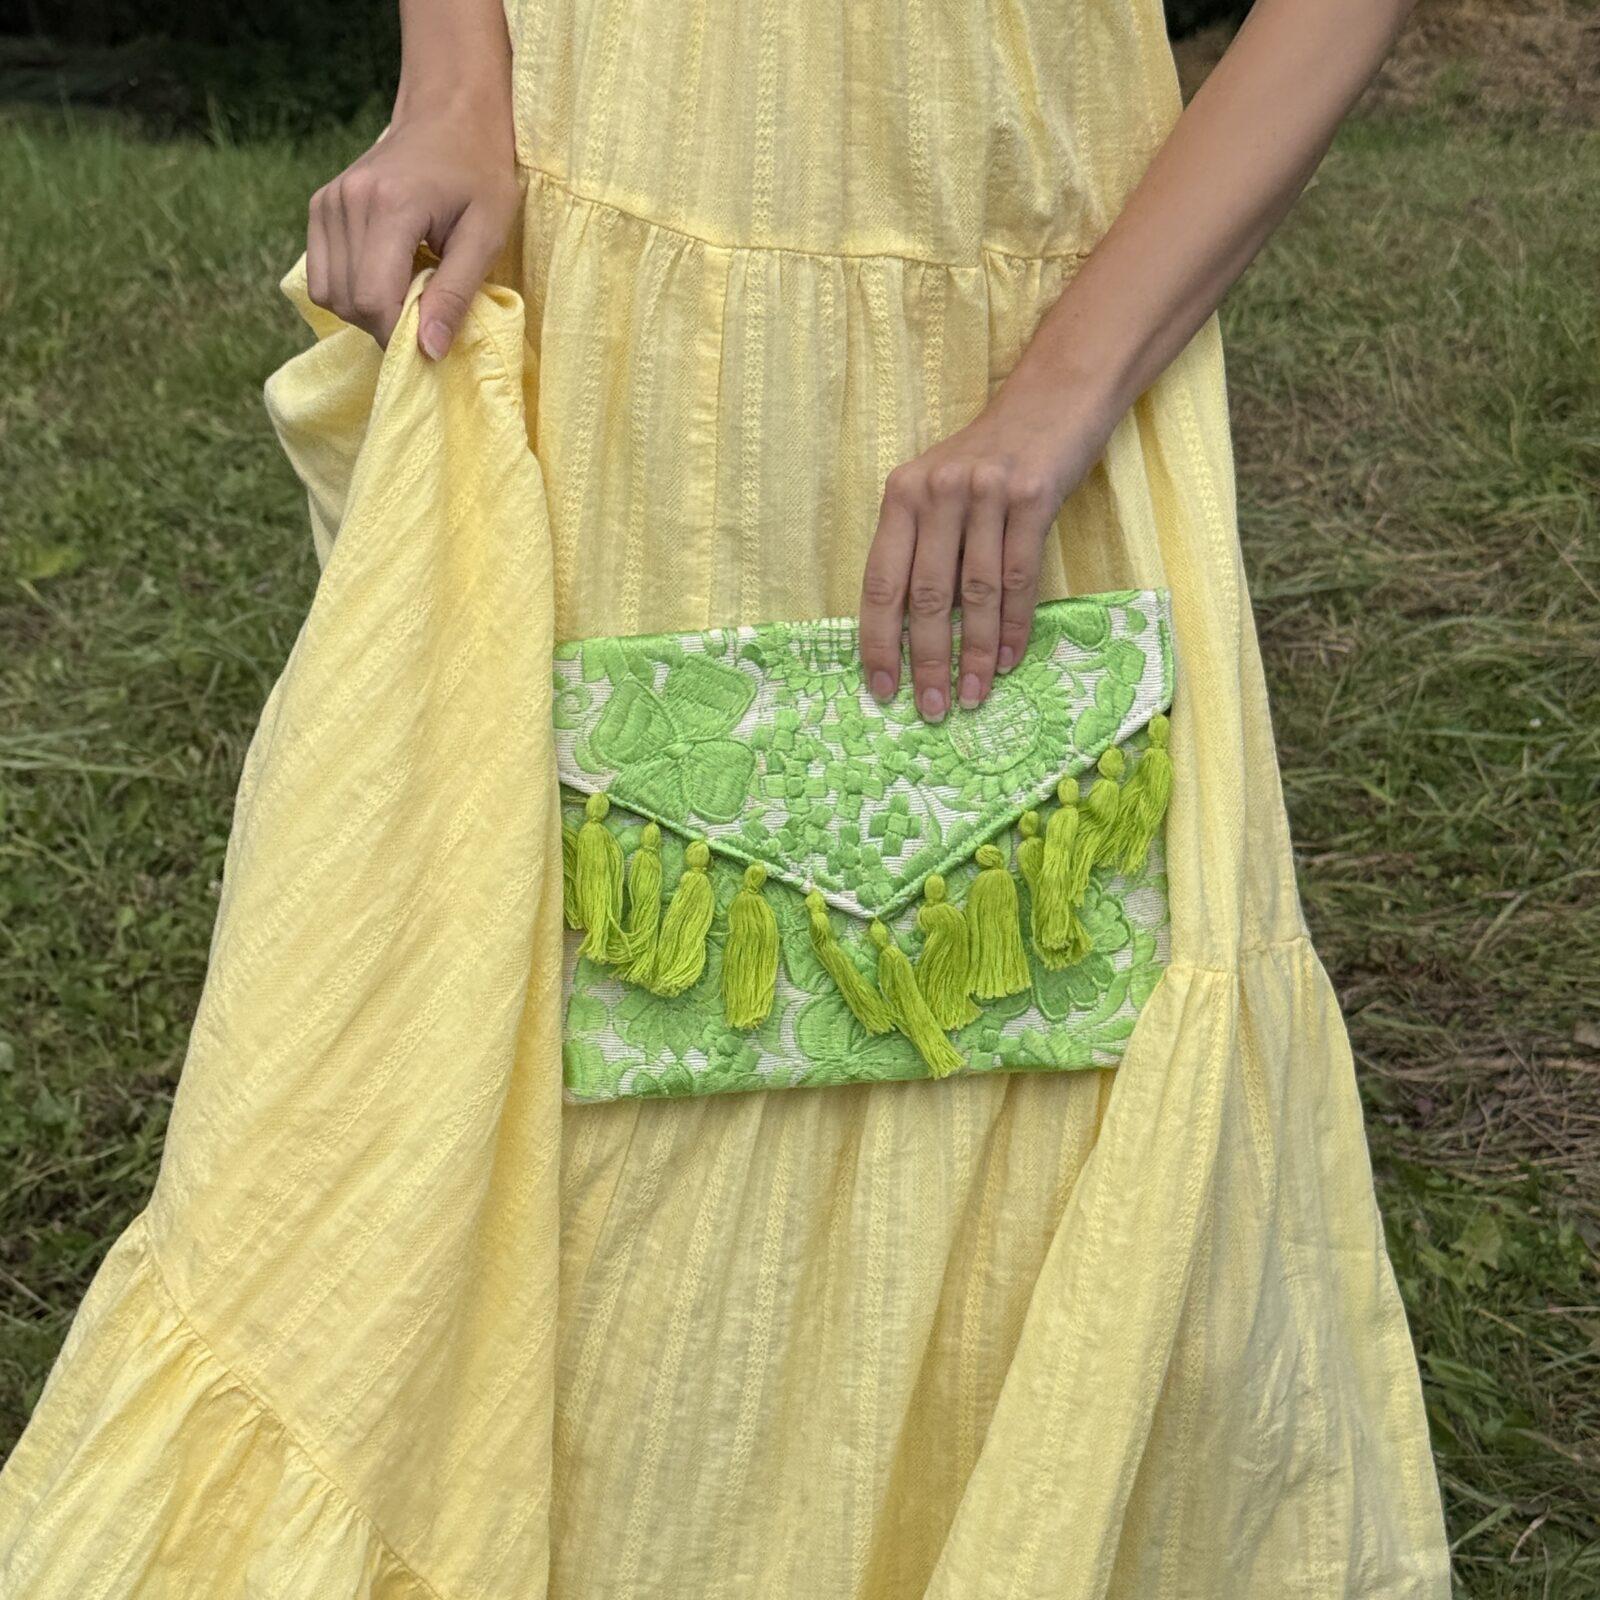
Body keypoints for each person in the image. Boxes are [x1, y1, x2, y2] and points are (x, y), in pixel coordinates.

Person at [0, 0, 1452, 1594]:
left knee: (1017, 1069)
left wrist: (1064, 386)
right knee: (500, 1056)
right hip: (610, 252)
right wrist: (450, 83)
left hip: (1001, 270)